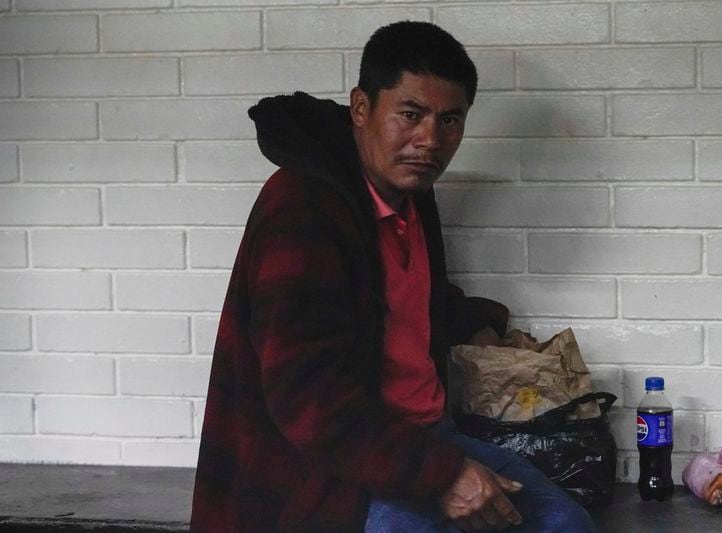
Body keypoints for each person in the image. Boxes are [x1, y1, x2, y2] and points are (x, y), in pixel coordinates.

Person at [190, 21, 596, 533]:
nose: (430, 140)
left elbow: (392, 300)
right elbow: (306, 398)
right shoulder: (302, 205)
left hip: (423, 439)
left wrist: (484, 323)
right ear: (362, 108)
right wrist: (443, 476)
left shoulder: (408, 189)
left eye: (450, 120)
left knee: (565, 522)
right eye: (410, 114)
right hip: (326, 473)